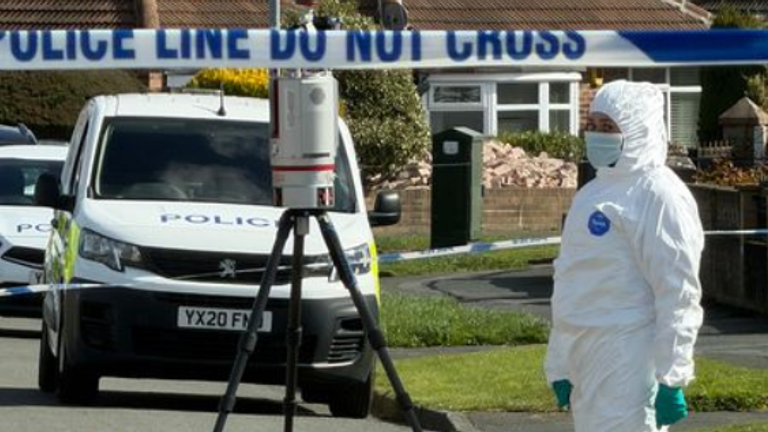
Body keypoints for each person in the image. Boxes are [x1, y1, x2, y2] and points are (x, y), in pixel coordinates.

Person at [544, 80, 705, 432]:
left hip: (630, 359)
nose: (597, 135)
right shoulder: (592, 193)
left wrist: (672, 375)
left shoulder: (659, 195)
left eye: (608, 127)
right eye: (594, 125)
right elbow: (571, 280)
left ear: (636, 129)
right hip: (586, 362)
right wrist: (559, 362)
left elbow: (678, 291)